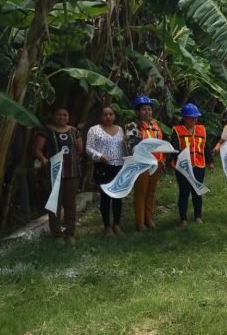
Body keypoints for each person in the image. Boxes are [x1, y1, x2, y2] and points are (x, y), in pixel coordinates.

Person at [33, 106, 83, 245]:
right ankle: (57, 234)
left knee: (70, 204)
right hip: (54, 171)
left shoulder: (74, 131)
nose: (62, 117)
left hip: (72, 171)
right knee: (54, 203)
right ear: (54, 116)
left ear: (69, 117)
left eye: (65, 115)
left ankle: (70, 232)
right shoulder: (46, 130)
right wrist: (43, 159)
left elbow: (79, 150)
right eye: (59, 115)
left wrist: (71, 159)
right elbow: (37, 149)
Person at [170, 102, 214, 226]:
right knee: (184, 192)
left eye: (196, 117)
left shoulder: (202, 129)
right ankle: (183, 218)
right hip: (183, 167)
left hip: (199, 165)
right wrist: (173, 161)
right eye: (191, 117)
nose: (194, 119)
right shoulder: (177, 131)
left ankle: (198, 216)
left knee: (197, 192)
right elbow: (174, 148)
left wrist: (210, 161)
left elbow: (205, 147)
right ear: (184, 117)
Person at [125, 95, 165, 231]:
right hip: (142, 164)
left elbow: (160, 144)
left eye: (149, 109)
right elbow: (131, 145)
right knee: (141, 192)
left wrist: (162, 160)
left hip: (157, 163)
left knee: (151, 191)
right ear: (137, 112)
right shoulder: (132, 126)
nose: (147, 112)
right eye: (144, 110)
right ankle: (140, 222)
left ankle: (149, 218)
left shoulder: (155, 125)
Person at [86, 106, 126, 236]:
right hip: (103, 167)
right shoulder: (94, 130)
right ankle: (107, 226)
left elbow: (125, 147)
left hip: (119, 166)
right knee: (106, 197)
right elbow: (89, 148)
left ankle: (117, 224)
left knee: (118, 197)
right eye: (105, 114)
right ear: (100, 116)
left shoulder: (120, 130)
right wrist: (99, 156)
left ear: (114, 116)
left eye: (111, 114)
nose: (108, 117)